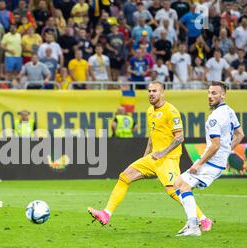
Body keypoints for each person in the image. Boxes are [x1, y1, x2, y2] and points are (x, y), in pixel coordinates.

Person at [88, 81, 211, 231]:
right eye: (149, 91)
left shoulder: (171, 111)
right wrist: (145, 157)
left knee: (174, 190)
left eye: (155, 91)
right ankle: (106, 213)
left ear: (162, 93)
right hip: (153, 158)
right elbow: (152, 136)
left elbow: (179, 137)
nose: (151, 94)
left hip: (168, 159)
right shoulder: (149, 111)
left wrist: (163, 153)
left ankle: (203, 219)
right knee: (124, 177)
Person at [173, 81, 244, 236]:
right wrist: (227, 152)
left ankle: (193, 227)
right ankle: (192, 221)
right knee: (177, 184)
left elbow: (215, 145)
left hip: (211, 163)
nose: (210, 96)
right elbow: (240, 135)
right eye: (209, 93)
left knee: (183, 186)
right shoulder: (229, 111)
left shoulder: (215, 117)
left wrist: (199, 163)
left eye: (214, 93)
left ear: (223, 95)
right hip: (218, 161)